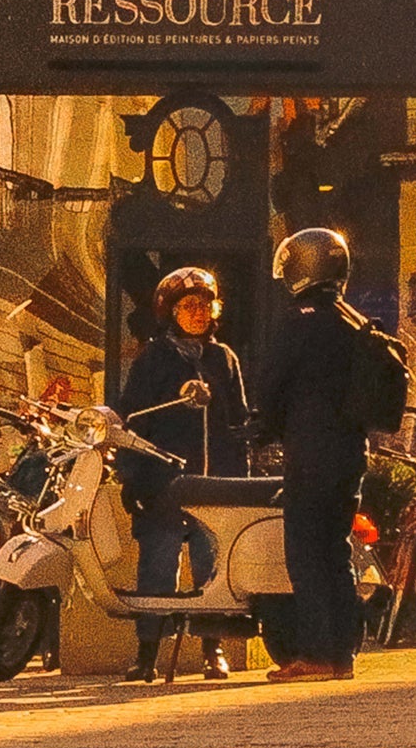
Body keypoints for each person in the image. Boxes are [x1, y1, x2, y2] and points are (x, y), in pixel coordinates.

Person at [116, 266, 250, 683]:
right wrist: (133, 479)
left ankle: (213, 649)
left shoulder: (224, 359)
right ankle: (147, 653)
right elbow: (132, 421)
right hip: (164, 486)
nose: (198, 312)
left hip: (215, 488)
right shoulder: (152, 359)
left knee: (213, 568)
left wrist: (240, 481)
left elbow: (239, 423)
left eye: (205, 305)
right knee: (157, 568)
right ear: (170, 312)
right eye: (188, 305)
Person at [252, 228, 371, 682]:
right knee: (337, 552)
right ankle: (343, 654)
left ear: (302, 268)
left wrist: (262, 429)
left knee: (305, 553)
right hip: (350, 453)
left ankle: (317, 654)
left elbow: (272, 386)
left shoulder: (299, 323)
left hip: (311, 452)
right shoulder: (354, 322)